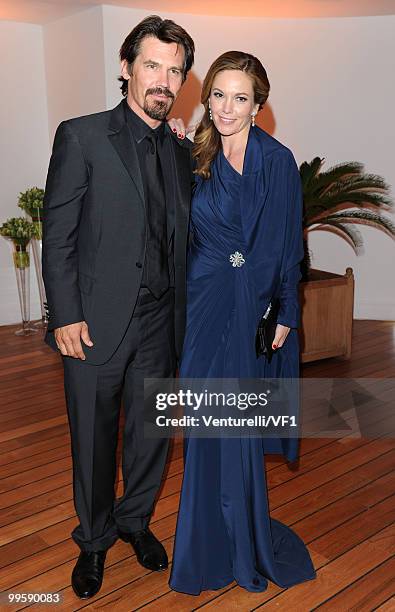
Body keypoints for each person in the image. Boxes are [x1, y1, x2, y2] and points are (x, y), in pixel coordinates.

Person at [42, 15, 194, 599]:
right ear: (126, 68)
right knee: (93, 440)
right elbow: (57, 235)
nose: (163, 78)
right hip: (94, 323)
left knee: (152, 435)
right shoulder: (81, 136)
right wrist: (65, 314)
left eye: (175, 69)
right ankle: (96, 540)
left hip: (162, 321)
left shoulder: (179, 148)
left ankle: (135, 522)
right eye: (152, 64)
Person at [169, 51, 316, 594]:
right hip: (203, 301)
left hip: (251, 305)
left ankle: (242, 537)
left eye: (240, 98)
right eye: (218, 95)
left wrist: (284, 312)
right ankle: (205, 540)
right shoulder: (193, 153)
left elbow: (287, 244)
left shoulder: (276, 160)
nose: (227, 108)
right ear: (206, 98)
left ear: (258, 105)